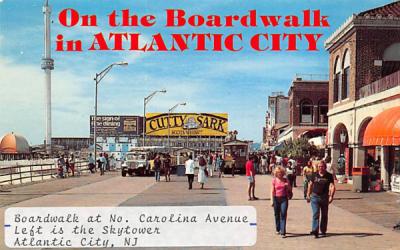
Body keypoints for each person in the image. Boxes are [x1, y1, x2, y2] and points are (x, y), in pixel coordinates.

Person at [307, 161, 336, 238]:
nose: (320, 168)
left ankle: (323, 230)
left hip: (324, 197)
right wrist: (308, 195)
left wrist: (331, 196)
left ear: (325, 167)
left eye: (322, 166)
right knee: (316, 213)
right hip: (315, 197)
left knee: (324, 215)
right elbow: (310, 184)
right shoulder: (314, 175)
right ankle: (315, 230)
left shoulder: (329, 176)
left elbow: (332, 186)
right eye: (319, 166)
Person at [271, 166, 292, 238]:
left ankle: (283, 231)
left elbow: (290, 189)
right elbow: (272, 191)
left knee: (283, 214)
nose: (279, 174)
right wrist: (271, 200)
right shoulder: (274, 180)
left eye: (281, 172)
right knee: (276, 214)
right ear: (276, 173)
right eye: (278, 173)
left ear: (283, 173)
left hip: (284, 198)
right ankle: (278, 228)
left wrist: (287, 185)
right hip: (276, 198)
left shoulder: (286, 180)